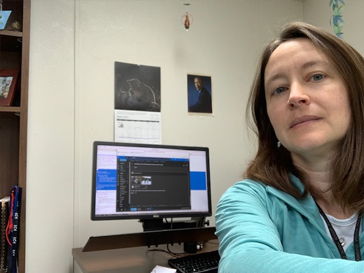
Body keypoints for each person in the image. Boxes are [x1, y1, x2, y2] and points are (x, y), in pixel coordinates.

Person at [215, 21, 364, 272]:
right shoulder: (248, 198)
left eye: (316, 76)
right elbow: (241, 264)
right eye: (279, 89)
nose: (294, 96)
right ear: (269, 119)